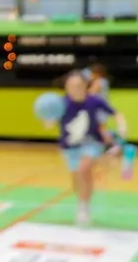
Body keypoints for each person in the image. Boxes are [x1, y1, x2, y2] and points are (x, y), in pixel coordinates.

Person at [48, 70, 126, 228]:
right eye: (71, 86)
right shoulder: (61, 103)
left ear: (85, 86)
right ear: (66, 87)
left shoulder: (94, 101)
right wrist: (48, 119)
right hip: (69, 147)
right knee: (77, 180)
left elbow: (116, 113)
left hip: (92, 143)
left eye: (78, 85)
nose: (75, 88)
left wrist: (122, 126)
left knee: (84, 169)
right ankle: (82, 201)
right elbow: (50, 121)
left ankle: (83, 209)